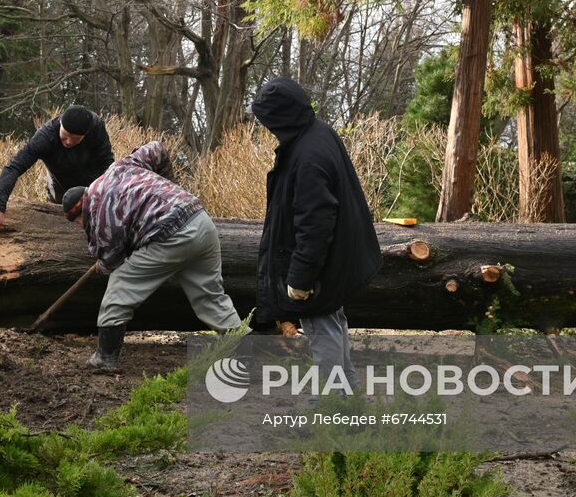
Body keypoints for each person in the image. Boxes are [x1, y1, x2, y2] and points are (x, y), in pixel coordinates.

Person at [249, 77, 381, 391]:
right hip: (338, 259)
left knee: (323, 334)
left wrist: (300, 278)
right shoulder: (317, 134)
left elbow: (315, 224)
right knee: (333, 326)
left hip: (324, 266)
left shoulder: (307, 157)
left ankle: (330, 411)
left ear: (278, 119)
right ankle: (348, 401)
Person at [62, 141, 242, 370]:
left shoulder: (98, 212)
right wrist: (170, 187)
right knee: (211, 297)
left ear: (78, 213)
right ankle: (244, 351)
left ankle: (105, 358)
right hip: (200, 220)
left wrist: (103, 262)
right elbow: (158, 149)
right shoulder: (120, 167)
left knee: (119, 288)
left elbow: (112, 262)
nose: (80, 227)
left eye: (76, 223)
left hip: (170, 235)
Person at [0, 106, 114, 237]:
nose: (69, 142)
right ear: (61, 125)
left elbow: (107, 162)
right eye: (66, 136)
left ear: (85, 134)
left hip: (91, 188)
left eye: (75, 138)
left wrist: (106, 195)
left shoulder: (96, 127)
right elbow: (14, 167)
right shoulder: (45, 137)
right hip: (59, 192)